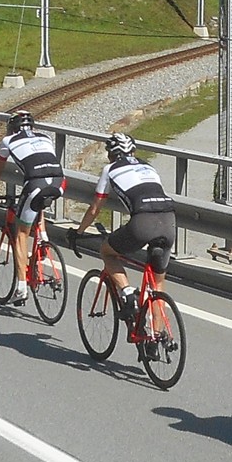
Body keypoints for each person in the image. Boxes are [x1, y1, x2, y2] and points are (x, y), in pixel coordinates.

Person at [73, 133, 177, 338]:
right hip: (169, 221)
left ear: (111, 154)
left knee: (107, 252)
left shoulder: (110, 169)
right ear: (134, 151)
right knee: (157, 283)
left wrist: (78, 232)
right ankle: (157, 336)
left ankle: (127, 293)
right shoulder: (149, 167)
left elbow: (95, 208)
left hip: (142, 223)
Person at [0, 111, 63, 306]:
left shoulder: (8, 141)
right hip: (59, 182)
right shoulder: (45, 138)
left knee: (21, 233)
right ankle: (43, 238)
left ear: (12, 128)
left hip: (34, 185)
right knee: (39, 205)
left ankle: (21, 287)